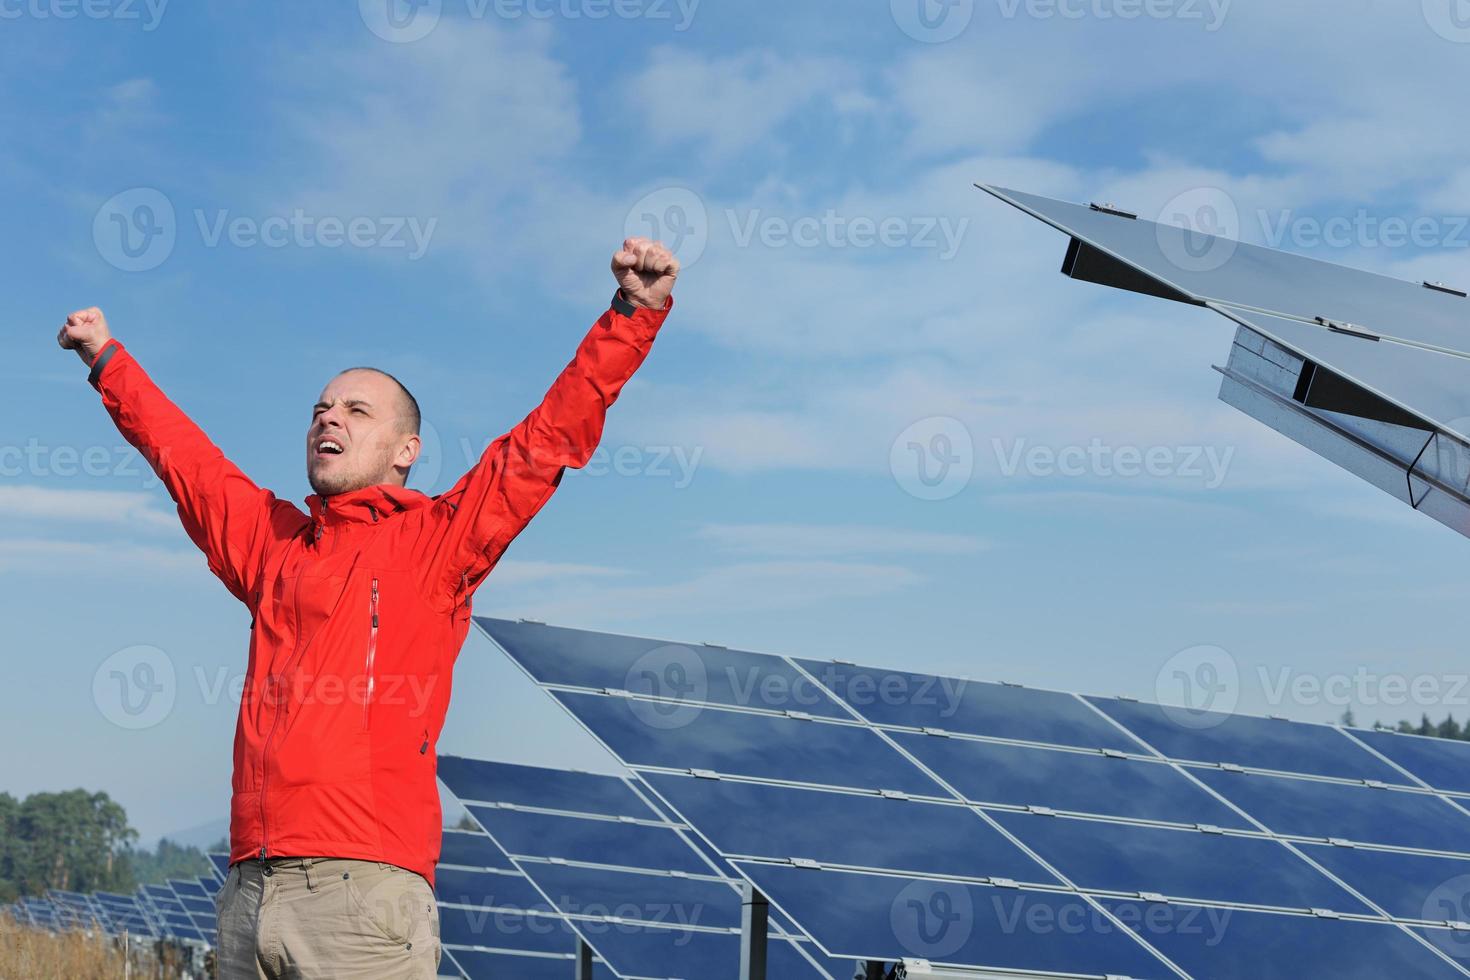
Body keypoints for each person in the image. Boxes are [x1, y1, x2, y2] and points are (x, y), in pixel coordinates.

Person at [57, 237, 679, 978]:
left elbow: (544, 443)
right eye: (321, 408)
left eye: (356, 410)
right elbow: (187, 460)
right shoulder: (273, 544)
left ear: (406, 449)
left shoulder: (437, 544)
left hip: (360, 899)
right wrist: (106, 360)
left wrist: (632, 312)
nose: (330, 419)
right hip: (249, 890)